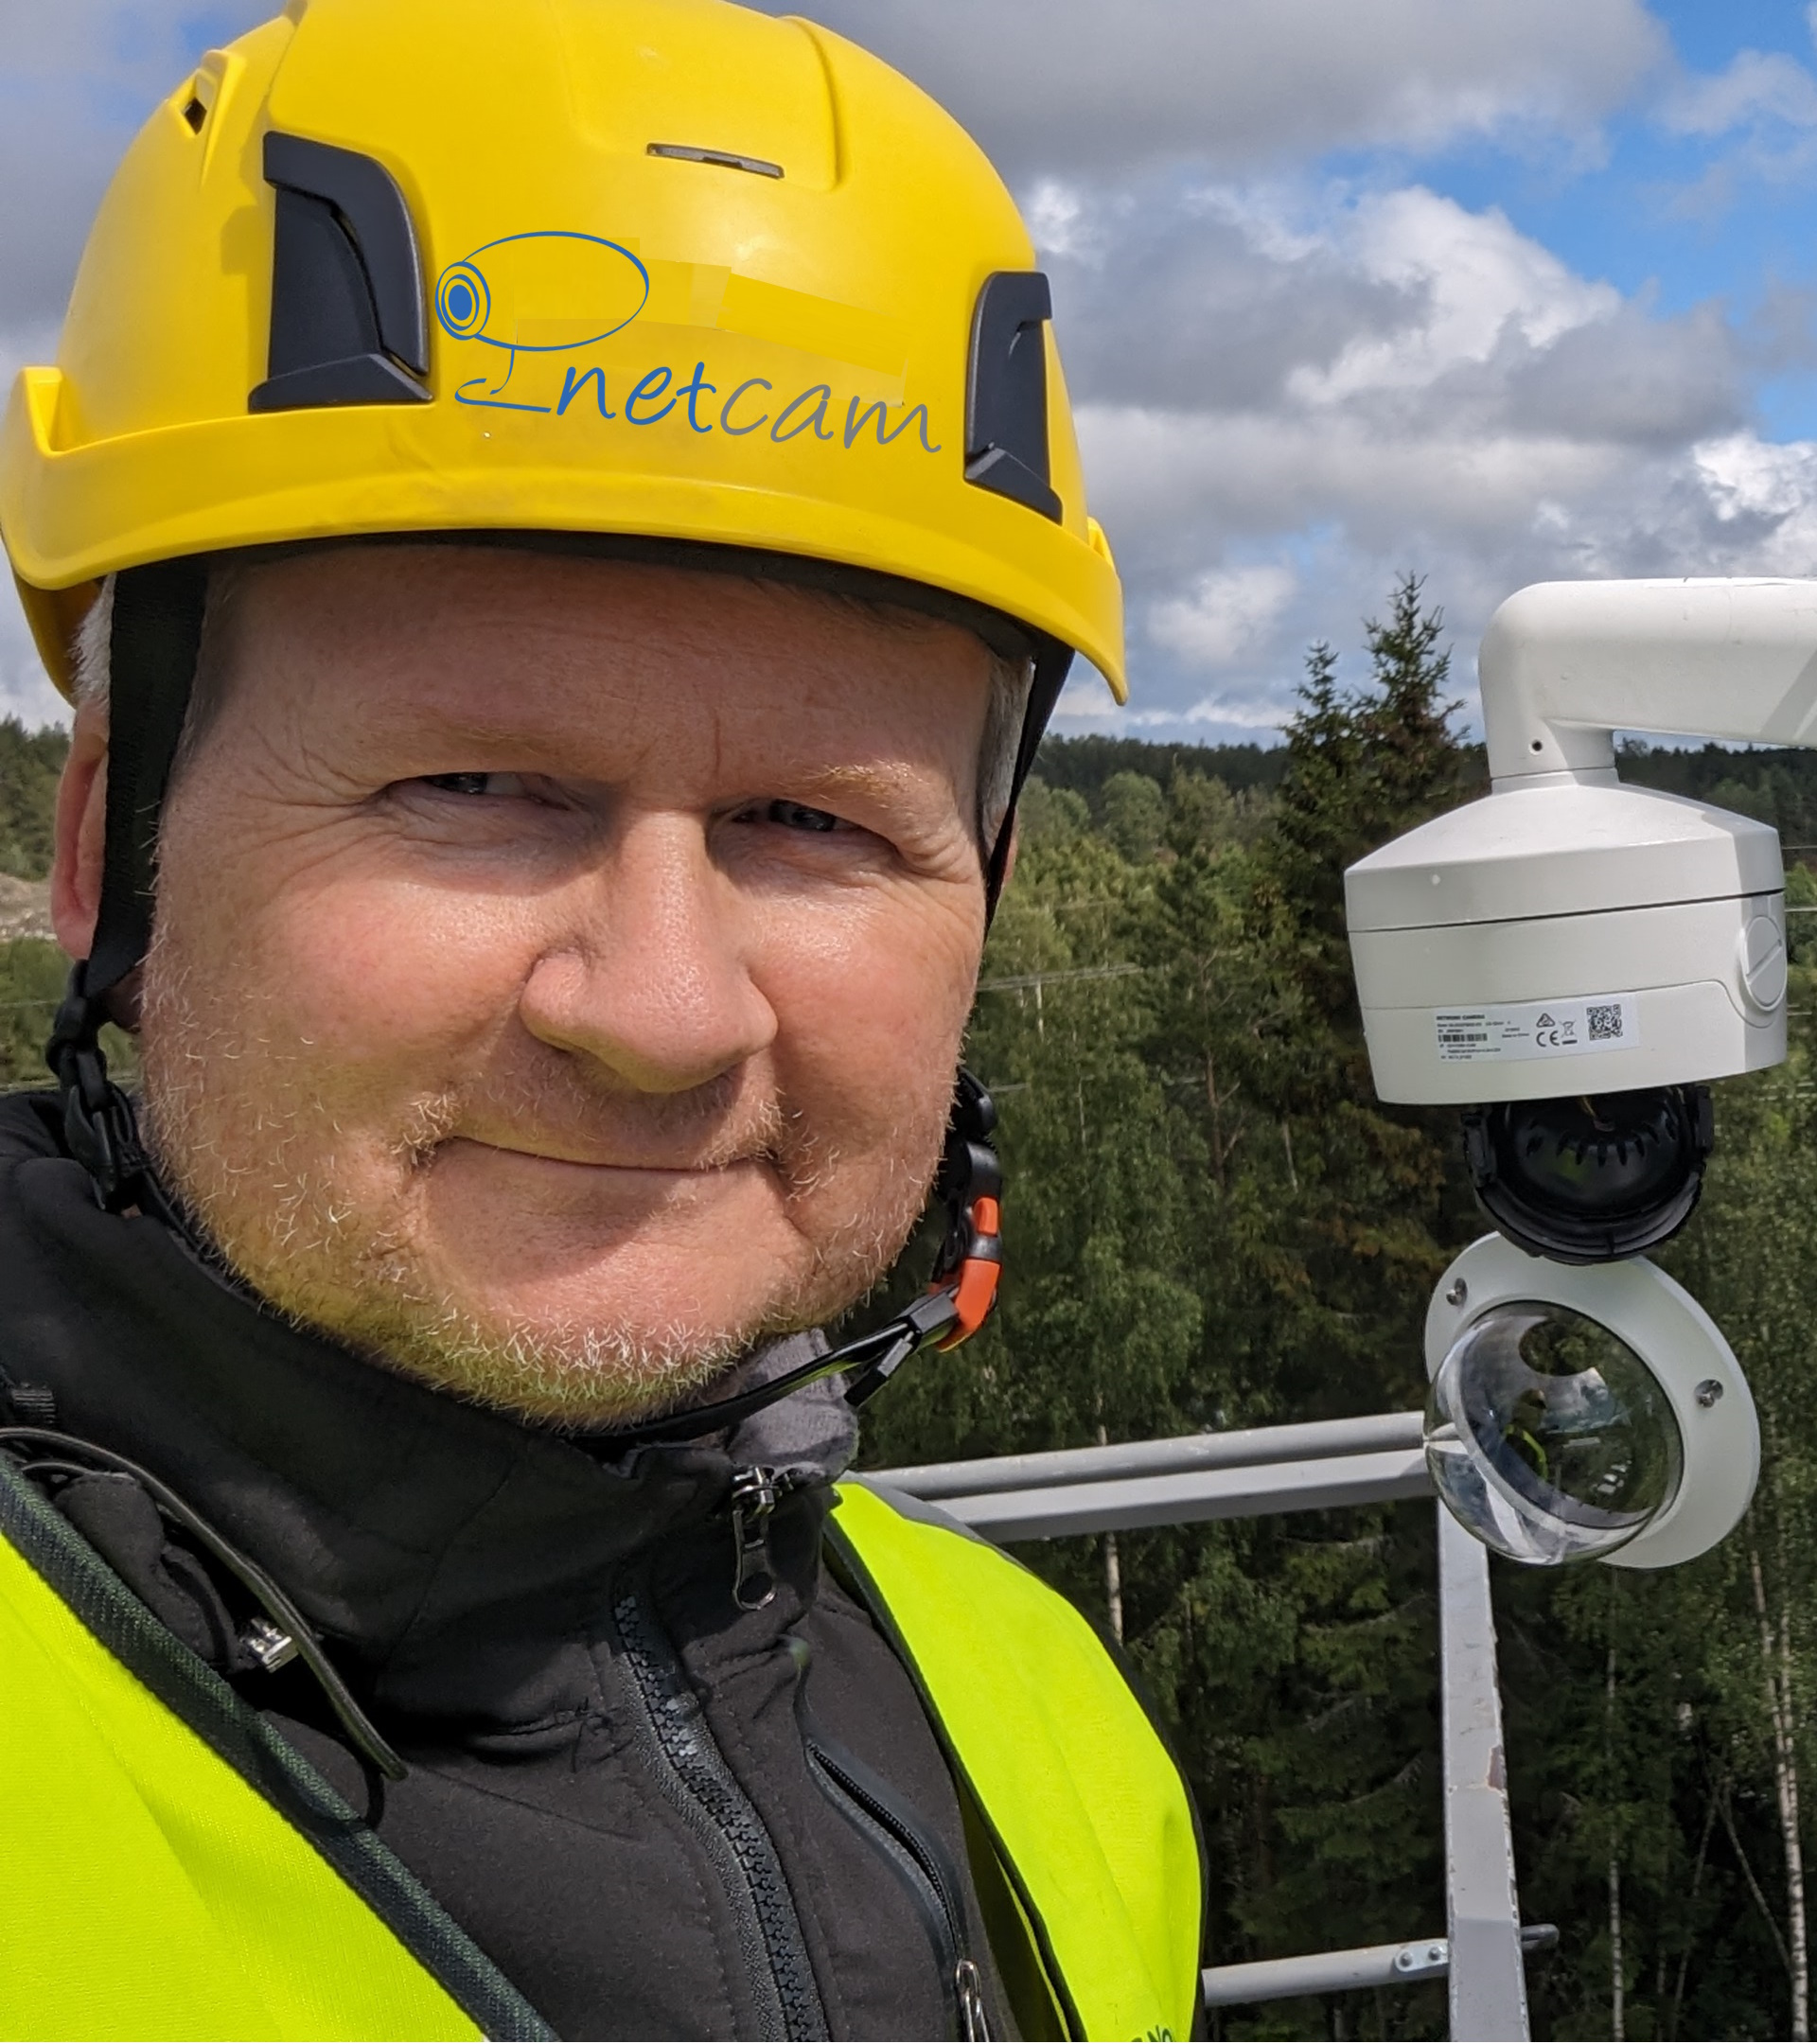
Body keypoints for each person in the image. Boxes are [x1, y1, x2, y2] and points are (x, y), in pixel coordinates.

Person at [0, 2, 1198, 2035]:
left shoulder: (1047, 1719)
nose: (658, 1010)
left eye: (815, 824)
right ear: (109, 849)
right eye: (474, 787)